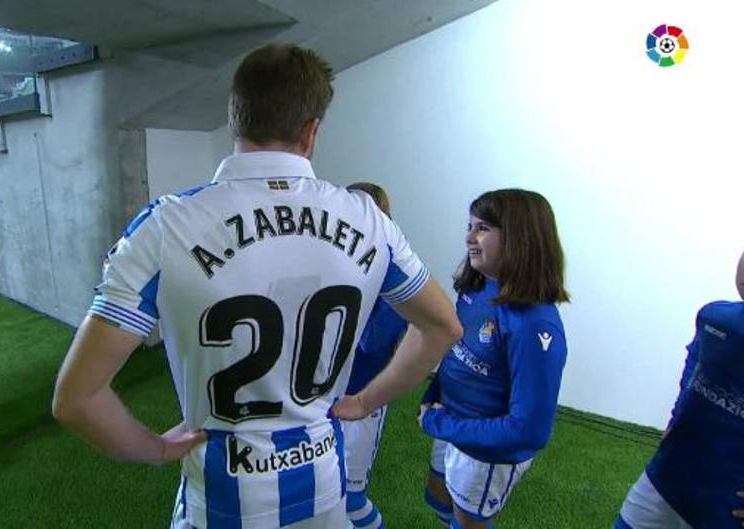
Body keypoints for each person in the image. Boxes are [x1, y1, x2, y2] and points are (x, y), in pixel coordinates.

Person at [52, 43, 462, 529]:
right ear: (312, 131)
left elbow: (76, 399)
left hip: (222, 501)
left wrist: (157, 448)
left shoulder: (166, 226)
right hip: (322, 492)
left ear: (234, 120)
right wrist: (365, 401)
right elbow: (442, 326)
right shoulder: (370, 220)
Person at [419, 189, 569, 529]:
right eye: (470, 226)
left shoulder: (535, 325)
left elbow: (528, 431)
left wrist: (439, 423)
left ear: (520, 238)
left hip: (486, 453)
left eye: (483, 228)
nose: (470, 237)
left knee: (466, 521)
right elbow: (459, 348)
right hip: (453, 425)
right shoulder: (478, 286)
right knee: (438, 499)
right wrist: (434, 397)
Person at [614, 250, 744, 529]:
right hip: (667, 477)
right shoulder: (715, 318)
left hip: (727, 505)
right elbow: (694, 360)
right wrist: (676, 417)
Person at [340, 182, 409, 529]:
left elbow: (371, 342)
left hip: (364, 397)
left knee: (351, 500)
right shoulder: (335, 261)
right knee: (323, 492)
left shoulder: (394, 268)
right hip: (322, 398)